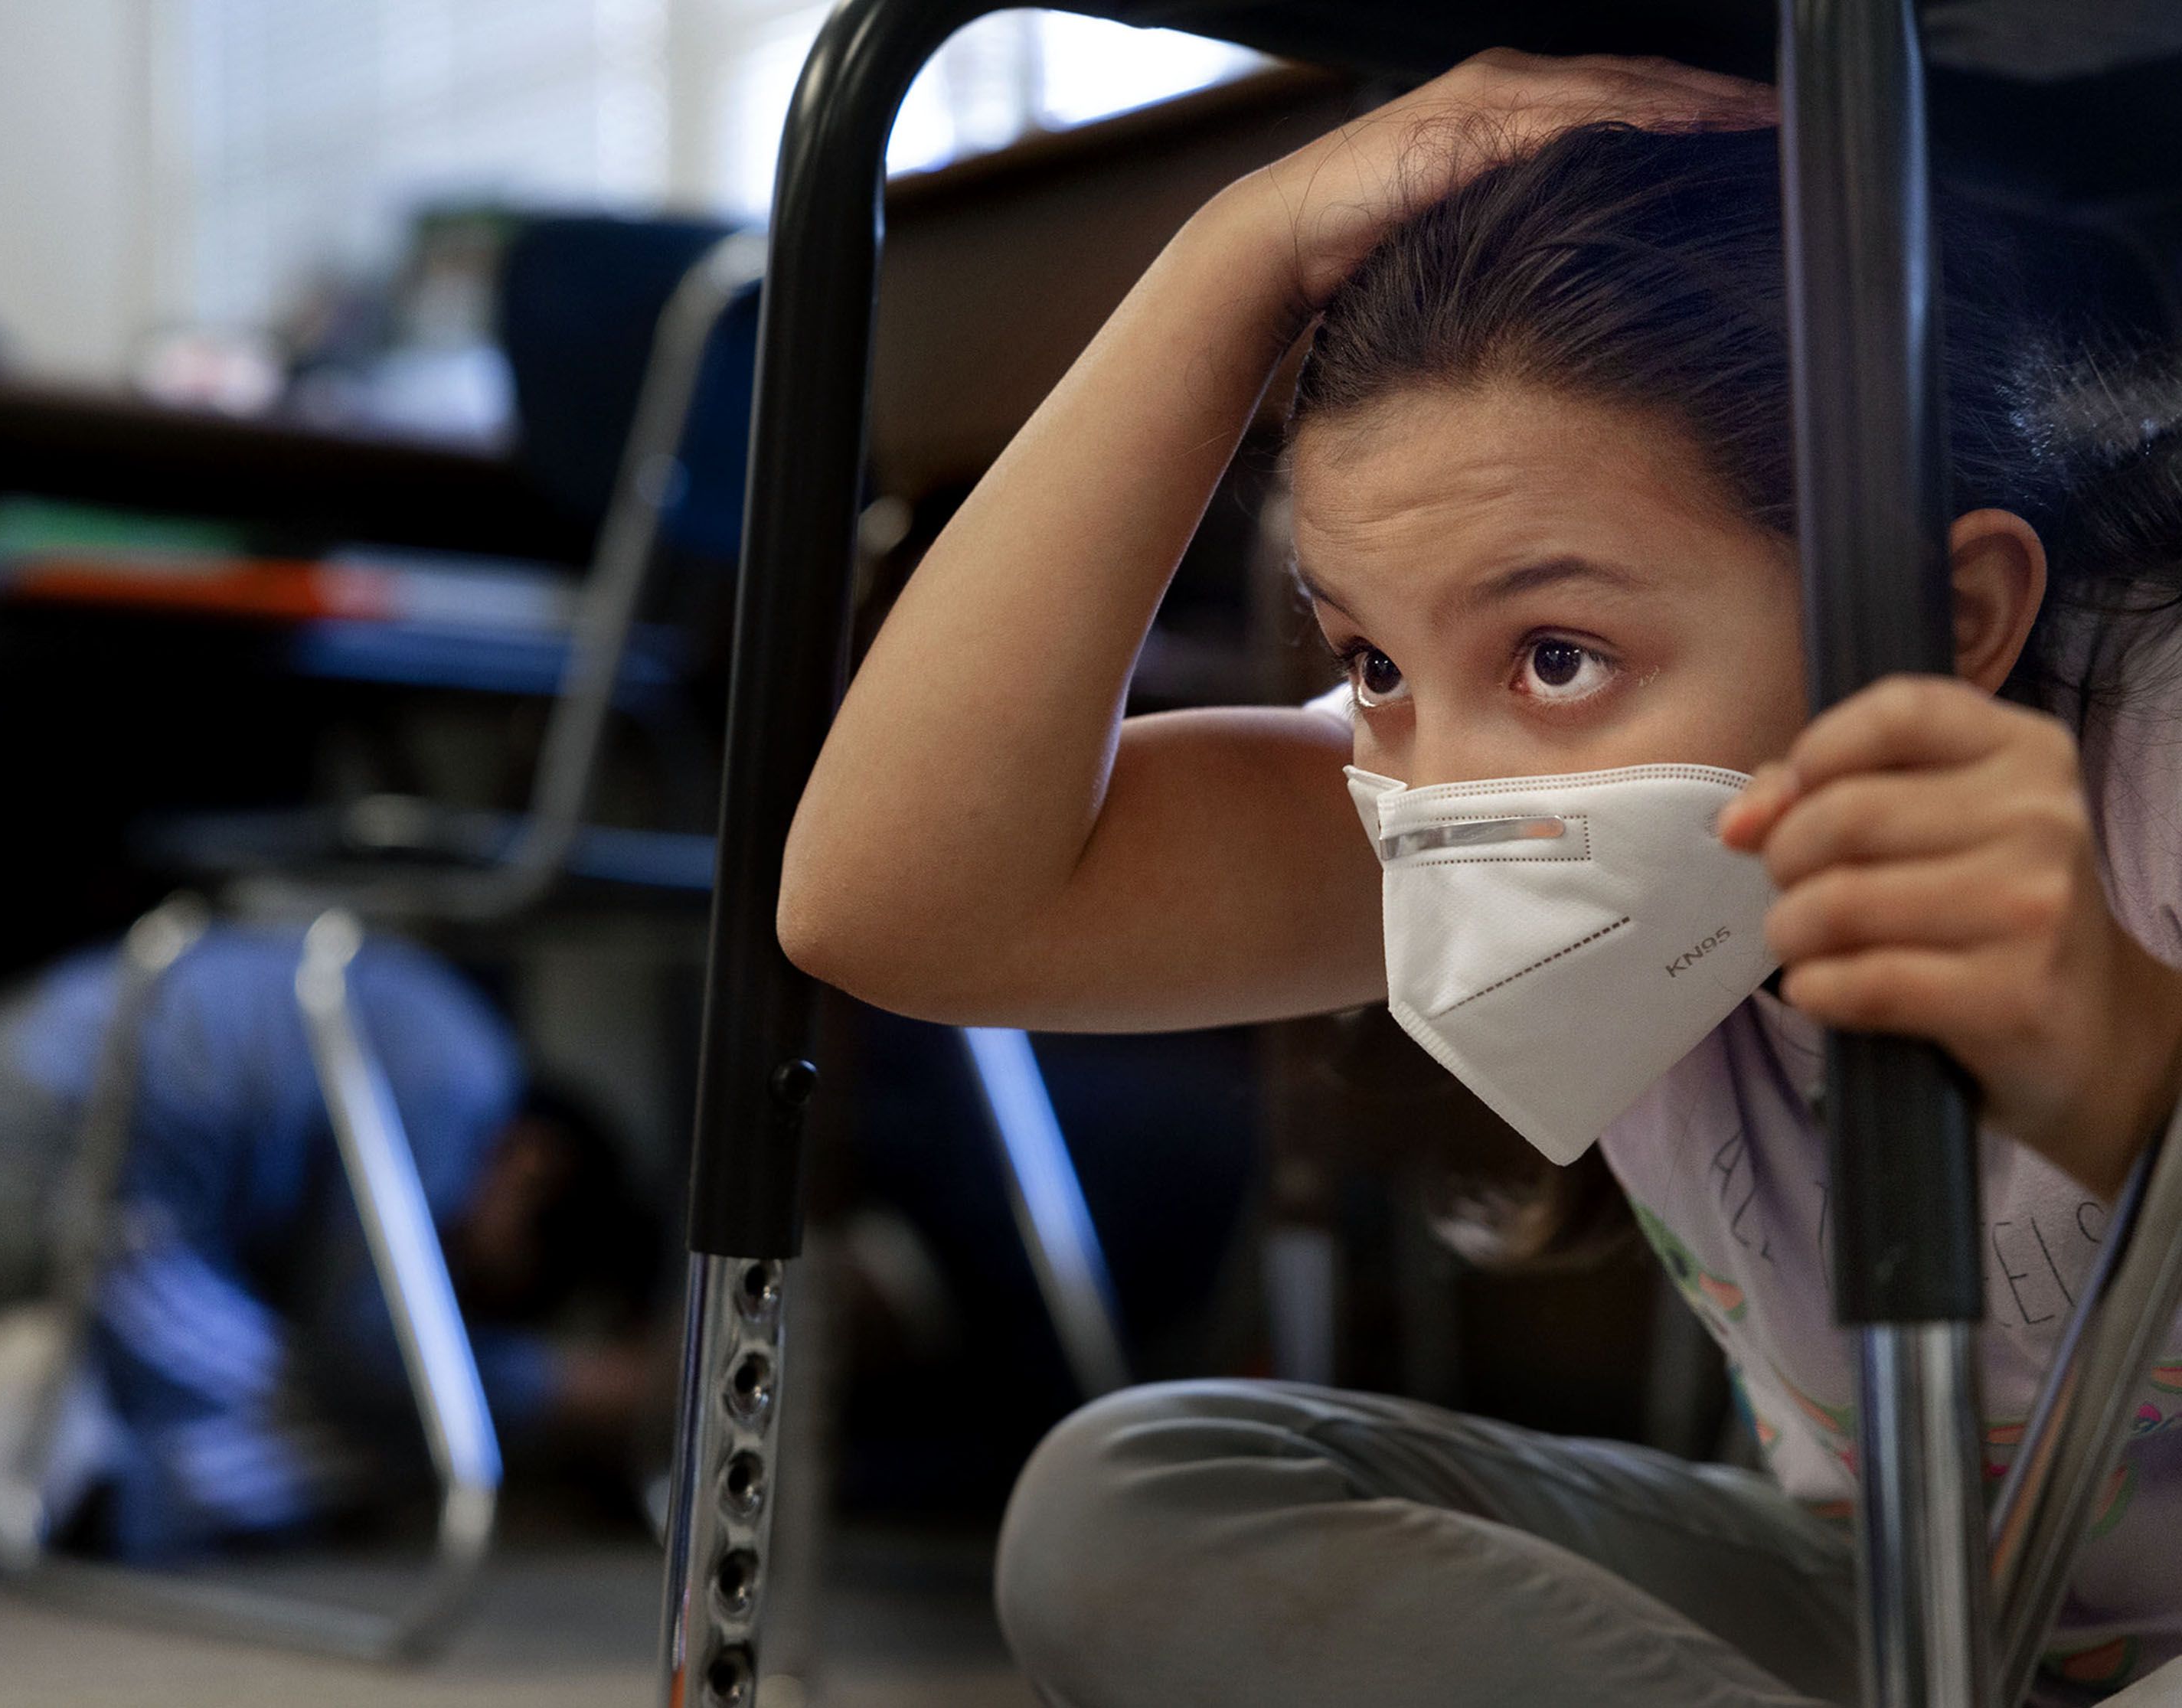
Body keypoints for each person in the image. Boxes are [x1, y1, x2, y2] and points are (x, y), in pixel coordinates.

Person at [774, 47, 2182, 1708]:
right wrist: (1236, 256)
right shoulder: (1484, 787)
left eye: (1562, 654)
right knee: (1139, 1499)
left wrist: (2125, 1058)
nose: (1441, 791)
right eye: (1371, 662)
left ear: (1947, 618)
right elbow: (897, 903)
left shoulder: (2152, 741)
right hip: (1918, 1614)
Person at [0, 923, 664, 1562]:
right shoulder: (464, 1075)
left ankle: (18, 1449)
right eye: (491, 1278)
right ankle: (50, 1470)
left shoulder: (421, 1016)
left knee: (315, 1385)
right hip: (13, 1199)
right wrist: (576, 1390)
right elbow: (371, 1350)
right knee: (336, 1412)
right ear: (536, 1162)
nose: (466, 1290)